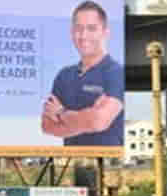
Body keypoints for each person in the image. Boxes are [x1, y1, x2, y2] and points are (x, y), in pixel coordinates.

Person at [40, 1, 124, 147]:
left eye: (91, 29)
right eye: (78, 29)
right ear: (72, 32)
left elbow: (99, 121)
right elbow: (47, 126)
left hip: (107, 162)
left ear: (105, 33)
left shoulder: (116, 73)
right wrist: (87, 120)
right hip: (71, 161)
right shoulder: (63, 76)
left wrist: (61, 113)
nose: (83, 35)